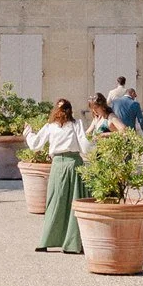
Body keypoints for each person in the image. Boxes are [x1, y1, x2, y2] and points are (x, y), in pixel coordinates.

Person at [26, 98, 95, 254]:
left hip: (58, 165)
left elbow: (35, 144)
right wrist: (96, 147)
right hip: (74, 164)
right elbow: (84, 145)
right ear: (70, 110)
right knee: (74, 202)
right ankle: (72, 243)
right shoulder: (76, 124)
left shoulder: (50, 127)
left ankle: (46, 241)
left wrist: (28, 133)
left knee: (55, 201)